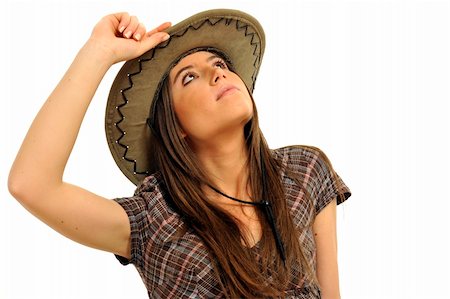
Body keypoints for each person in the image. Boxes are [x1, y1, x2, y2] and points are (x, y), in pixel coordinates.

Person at [8, 9, 351, 299]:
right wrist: (98, 51)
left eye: (220, 63)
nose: (218, 72)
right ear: (176, 125)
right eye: (190, 78)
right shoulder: (152, 219)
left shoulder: (304, 171)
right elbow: (31, 184)